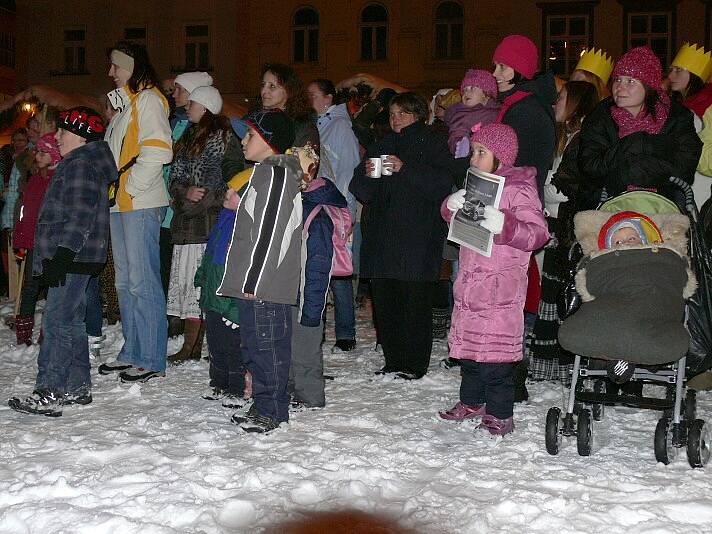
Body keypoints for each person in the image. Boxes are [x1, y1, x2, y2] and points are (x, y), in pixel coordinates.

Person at [439, 123, 549, 435]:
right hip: (472, 281)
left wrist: (505, 224)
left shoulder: (519, 188)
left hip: (501, 285)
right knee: (471, 353)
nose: (473, 158)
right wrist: (451, 207)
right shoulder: (477, 184)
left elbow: (538, 233)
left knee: (497, 359)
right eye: (473, 151)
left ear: (501, 156)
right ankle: (472, 401)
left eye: (481, 152)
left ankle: (501, 412)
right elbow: (455, 220)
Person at [8, 106, 116, 417]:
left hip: (71, 257)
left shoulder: (80, 165)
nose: (56, 137)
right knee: (70, 321)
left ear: (81, 138)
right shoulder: (79, 162)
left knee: (56, 323)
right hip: (74, 258)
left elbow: (79, 216)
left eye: (63, 131)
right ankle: (77, 386)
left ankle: (50, 389)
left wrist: (63, 255)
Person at [350, 92, 464, 380]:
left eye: (402, 113)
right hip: (382, 235)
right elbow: (362, 190)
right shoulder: (383, 143)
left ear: (418, 115)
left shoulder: (433, 141)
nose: (395, 118)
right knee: (386, 301)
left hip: (417, 235)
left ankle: (414, 364)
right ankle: (393, 359)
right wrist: (366, 174)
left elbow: (442, 183)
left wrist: (406, 168)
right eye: (392, 114)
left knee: (414, 301)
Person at [217, 109, 303, 433]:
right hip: (257, 283)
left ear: (269, 142)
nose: (243, 140)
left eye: (250, 134)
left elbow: (271, 234)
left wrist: (253, 281)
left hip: (265, 285)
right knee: (256, 347)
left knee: (268, 349)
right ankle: (264, 404)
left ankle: (273, 409)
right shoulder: (265, 173)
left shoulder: (276, 176)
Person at [99, 41, 173, 383]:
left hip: (139, 203)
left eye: (116, 66)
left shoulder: (148, 100)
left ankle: (151, 356)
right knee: (127, 282)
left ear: (131, 66)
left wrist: (128, 188)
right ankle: (133, 350)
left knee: (143, 282)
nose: (110, 72)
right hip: (122, 203)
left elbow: (158, 152)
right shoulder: (127, 104)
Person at [165, 85, 242, 363]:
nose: (188, 107)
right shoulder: (187, 135)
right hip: (186, 220)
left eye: (193, 103)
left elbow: (234, 177)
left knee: (202, 283)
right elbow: (174, 176)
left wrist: (209, 197)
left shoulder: (224, 138)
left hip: (209, 221)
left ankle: (195, 346)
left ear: (206, 106)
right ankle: (192, 345)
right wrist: (185, 193)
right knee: (187, 283)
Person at [530, 81, 599, 383]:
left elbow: (565, 188)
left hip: (568, 226)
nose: (555, 103)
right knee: (553, 294)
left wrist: (538, 187)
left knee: (563, 296)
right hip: (556, 222)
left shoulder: (584, 139)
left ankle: (565, 365)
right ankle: (552, 366)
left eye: (561, 98)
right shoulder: (567, 136)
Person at [578, 46, 702, 204]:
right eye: (617, 79)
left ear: (649, 86)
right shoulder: (600, 116)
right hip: (608, 206)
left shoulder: (677, 117)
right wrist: (637, 144)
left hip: (664, 206)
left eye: (630, 81)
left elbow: (684, 169)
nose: (619, 87)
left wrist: (628, 162)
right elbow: (590, 167)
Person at [290, 161, 349, 410]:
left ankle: (310, 395)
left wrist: (313, 305)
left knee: (305, 344)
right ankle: (294, 388)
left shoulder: (317, 212)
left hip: (308, 291)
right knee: (293, 342)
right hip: (293, 287)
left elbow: (318, 263)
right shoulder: (301, 202)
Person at [307, 78, 360, 353]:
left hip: (335, 206)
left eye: (314, 95)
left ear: (328, 98)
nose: (310, 100)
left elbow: (349, 169)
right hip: (319, 204)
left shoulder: (339, 127)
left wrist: (346, 212)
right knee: (319, 266)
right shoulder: (319, 125)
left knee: (339, 268)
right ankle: (317, 328)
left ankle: (346, 331)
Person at [162, 71, 214, 323]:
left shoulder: (202, 131)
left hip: (190, 211)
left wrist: (182, 198)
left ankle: (186, 322)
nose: (174, 94)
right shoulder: (176, 123)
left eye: (179, 89)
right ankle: (175, 315)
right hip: (172, 205)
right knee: (173, 267)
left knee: (191, 269)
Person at [195, 187, 249, 407]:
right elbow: (209, 256)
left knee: (234, 345)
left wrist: (237, 308)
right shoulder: (222, 222)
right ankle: (219, 383)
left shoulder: (245, 227)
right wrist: (201, 279)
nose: (228, 193)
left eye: (235, 192)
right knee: (216, 343)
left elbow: (242, 268)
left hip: (229, 298)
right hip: (213, 294)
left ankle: (236, 388)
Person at [12, 133, 61, 345]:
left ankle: (47, 331)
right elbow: (25, 212)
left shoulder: (58, 180)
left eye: (43, 152)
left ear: (55, 155)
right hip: (33, 242)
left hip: (50, 244)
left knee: (52, 287)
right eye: (38, 151)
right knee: (30, 287)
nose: (38, 155)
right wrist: (21, 239)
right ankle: (24, 333)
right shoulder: (34, 180)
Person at [668, 43, 712, 209]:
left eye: (678, 70)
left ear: (694, 75)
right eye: (671, 70)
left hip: (701, 189)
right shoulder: (682, 105)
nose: (671, 76)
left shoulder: (706, 105)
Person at [444, 69, 500, 157]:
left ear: (486, 94)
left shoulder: (497, 112)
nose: (466, 93)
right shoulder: (461, 113)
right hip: (470, 151)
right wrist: (460, 144)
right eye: (464, 90)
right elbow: (457, 130)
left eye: (472, 88)